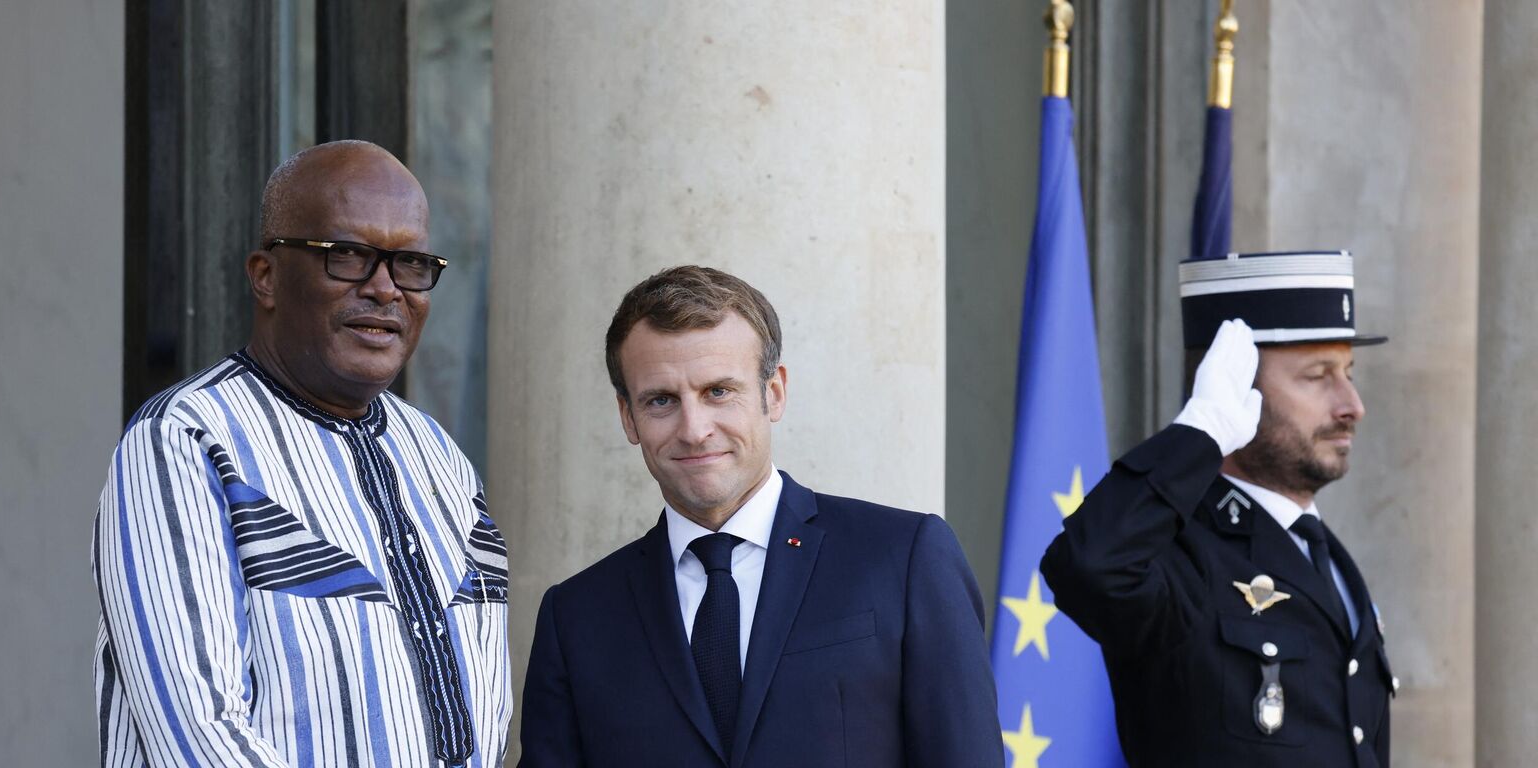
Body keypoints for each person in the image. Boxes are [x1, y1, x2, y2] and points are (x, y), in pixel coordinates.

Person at [93, 140, 509, 767]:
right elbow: (199, 737)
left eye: (411, 264)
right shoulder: (187, 439)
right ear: (266, 276)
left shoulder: (439, 458)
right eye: (347, 256)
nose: (385, 289)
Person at [520, 266, 1002, 767]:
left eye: (718, 392)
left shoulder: (904, 558)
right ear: (627, 417)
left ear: (774, 392)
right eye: (661, 400)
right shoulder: (576, 617)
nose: (694, 429)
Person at [1042, 251, 1395, 767]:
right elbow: (1089, 564)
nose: (1351, 405)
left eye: (1349, 372)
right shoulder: (1182, 550)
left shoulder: (1328, 559)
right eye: (1318, 376)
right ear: (1234, 390)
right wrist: (1200, 434)